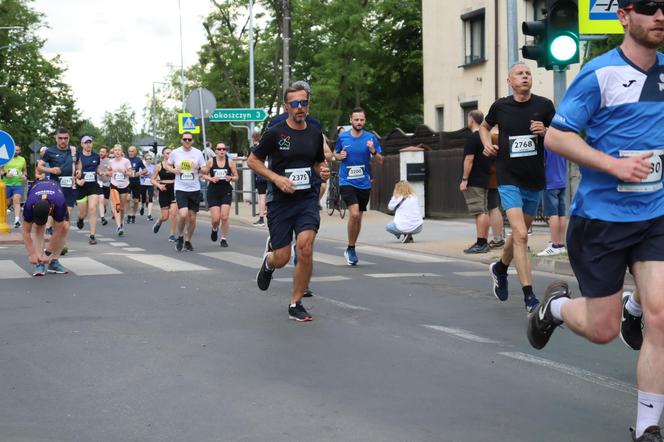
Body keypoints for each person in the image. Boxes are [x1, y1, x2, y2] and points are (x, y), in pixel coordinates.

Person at [527, 2, 664, 440]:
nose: (660, 15)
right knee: (603, 331)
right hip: (602, 220)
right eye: (649, 7)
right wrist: (612, 165)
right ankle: (556, 307)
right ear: (624, 16)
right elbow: (557, 135)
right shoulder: (599, 73)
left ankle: (648, 428)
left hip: (656, 215)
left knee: (661, 316)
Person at [247, 82, 330, 321]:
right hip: (281, 202)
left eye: (303, 102)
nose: (300, 107)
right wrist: (276, 178)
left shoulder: (315, 133)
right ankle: (269, 263)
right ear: (286, 106)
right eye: (294, 104)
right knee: (282, 257)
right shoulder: (275, 133)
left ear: (308, 104)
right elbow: (253, 161)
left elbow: (317, 163)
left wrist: (322, 171)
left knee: (305, 246)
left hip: (306, 199)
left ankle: (296, 303)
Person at [479, 62, 556, 313]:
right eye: (519, 74)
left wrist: (545, 131)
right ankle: (529, 296)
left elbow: (560, 136)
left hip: (533, 178)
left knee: (519, 234)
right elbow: (484, 127)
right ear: (509, 81)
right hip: (508, 176)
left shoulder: (544, 106)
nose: (525, 77)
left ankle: (500, 267)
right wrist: (486, 145)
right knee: (521, 234)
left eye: (528, 73)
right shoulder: (500, 106)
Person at [334, 107, 383, 266]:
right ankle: (350, 247)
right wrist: (338, 156)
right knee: (354, 214)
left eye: (361, 120)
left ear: (365, 121)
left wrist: (373, 151)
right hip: (346, 181)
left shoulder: (370, 138)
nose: (359, 122)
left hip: (364, 182)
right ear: (351, 120)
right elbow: (335, 154)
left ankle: (351, 247)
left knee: (359, 216)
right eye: (356, 119)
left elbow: (380, 161)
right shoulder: (343, 137)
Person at [460, 110, 504, 254]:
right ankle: (487, 240)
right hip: (486, 178)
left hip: (475, 179)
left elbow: (469, 159)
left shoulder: (473, 138)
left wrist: (464, 179)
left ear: (471, 119)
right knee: (486, 210)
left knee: (479, 212)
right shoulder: (487, 138)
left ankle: (481, 242)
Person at [164, 132, 208, 252]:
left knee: (192, 218)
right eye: (185, 139)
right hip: (180, 188)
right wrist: (173, 170)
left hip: (194, 188)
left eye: (189, 139)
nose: (187, 141)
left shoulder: (198, 153)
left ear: (192, 141)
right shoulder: (175, 152)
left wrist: (198, 167)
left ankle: (188, 240)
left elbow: (205, 169)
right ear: (181, 140)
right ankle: (180, 236)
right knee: (183, 214)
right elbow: (166, 165)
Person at [22, 180, 70, 276]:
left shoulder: (59, 203)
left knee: (64, 227)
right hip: (35, 189)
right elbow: (25, 232)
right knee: (38, 228)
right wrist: (32, 254)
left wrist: (48, 253)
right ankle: (39, 263)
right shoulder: (29, 205)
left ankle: (54, 262)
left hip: (55, 188)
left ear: (51, 209)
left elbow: (57, 231)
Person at [203, 142, 239, 247]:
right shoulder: (210, 162)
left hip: (226, 190)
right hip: (213, 191)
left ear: (226, 151)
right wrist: (211, 178)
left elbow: (236, 177)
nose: (222, 151)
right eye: (219, 149)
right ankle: (214, 229)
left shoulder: (230, 162)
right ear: (216, 151)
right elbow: (202, 174)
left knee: (224, 217)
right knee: (215, 219)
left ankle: (223, 238)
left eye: (224, 149)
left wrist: (231, 178)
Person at [38, 128, 78, 219]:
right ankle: (51, 229)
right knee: (56, 215)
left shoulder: (74, 151)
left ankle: (61, 231)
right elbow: (39, 167)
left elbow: (78, 163)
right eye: (60, 138)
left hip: (70, 189)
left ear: (69, 138)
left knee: (66, 216)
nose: (63, 140)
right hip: (56, 188)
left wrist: (79, 171)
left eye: (65, 138)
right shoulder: (50, 151)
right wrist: (51, 170)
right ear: (56, 138)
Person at [537, 147, 568, 256]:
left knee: (553, 214)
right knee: (562, 214)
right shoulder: (562, 141)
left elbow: (542, 163)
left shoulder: (547, 143)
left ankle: (554, 245)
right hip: (562, 181)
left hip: (550, 182)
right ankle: (561, 244)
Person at [74, 135, 102, 244]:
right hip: (81, 187)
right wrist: (77, 181)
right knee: (83, 213)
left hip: (93, 186)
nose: (88, 144)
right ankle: (80, 219)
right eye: (86, 143)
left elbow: (97, 169)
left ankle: (92, 236)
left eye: (90, 142)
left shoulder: (96, 156)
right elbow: (72, 170)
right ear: (82, 144)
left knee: (93, 209)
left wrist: (103, 173)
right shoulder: (78, 156)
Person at [150, 148, 178, 241]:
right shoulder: (159, 166)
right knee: (165, 216)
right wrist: (159, 185)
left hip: (174, 188)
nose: (169, 155)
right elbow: (152, 179)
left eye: (171, 153)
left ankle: (172, 235)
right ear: (163, 155)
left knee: (173, 213)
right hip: (164, 189)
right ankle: (159, 221)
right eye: (167, 153)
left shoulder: (176, 165)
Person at [107, 144, 133, 236]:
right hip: (114, 185)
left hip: (124, 185)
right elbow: (109, 171)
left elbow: (131, 173)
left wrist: (124, 172)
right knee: (117, 206)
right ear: (113, 151)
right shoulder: (111, 161)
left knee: (121, 208)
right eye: (115, 150)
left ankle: (121, 223)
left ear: (122, 152)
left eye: (119, 150)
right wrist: (109, 173)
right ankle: (118, 227)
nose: (117, 152)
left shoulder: (126, 161)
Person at [1, 144, 27, 228]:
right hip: (6, 184)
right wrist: (5, 174)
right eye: (15, 150)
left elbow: (24, 171)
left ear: (20, 151)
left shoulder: (22, 159)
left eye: (18, 150)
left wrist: (24, 176)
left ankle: (17, 220)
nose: (16, 152)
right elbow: (0, 170)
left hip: (17, 183)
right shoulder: (5, 158)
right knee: (6, 202)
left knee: (16, 199)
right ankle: (2, 219)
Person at [126, 145, 146, 224]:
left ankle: (133, 215)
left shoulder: (138, 160)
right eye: (129, 151)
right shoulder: (125, 160)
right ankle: (128, 215)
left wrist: (139, 173)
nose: (131, 153)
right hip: (127, 182)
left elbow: (145, 170)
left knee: (136, 201)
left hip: (136, 182)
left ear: (135, 152)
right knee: (127, 199)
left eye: (132, 151)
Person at [252, 132, 268, 227]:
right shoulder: (267, 146)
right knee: (268, 194)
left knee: (261, 196)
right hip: (270, 173)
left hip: (260, 173)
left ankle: (261, 219)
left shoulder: (254, 148)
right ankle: (267, 212)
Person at [97, 145, 111, 226]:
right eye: (100, 151)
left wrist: (106, 173)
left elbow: (112, 172)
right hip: (98, 182)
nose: (101, 153)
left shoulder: (109, 161)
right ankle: (103, 218)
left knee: (105, 202)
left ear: (107, 153)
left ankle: (104, 208)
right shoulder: (97, 160)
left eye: (103, 152)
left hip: (106, 183)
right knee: (101, 200)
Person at [140, 153, 156, 221]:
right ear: (145, 159)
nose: (148, 160)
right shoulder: (142, 166)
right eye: (147, 159)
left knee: (150, 198)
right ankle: (142, 206)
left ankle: (149, 214)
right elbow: (140, 175)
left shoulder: (153, 167)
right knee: (143, 197)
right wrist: (145, 173)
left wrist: (152, 175)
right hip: (143, 183)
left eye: (150, 159)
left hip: (150, 183)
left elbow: (156, 175)